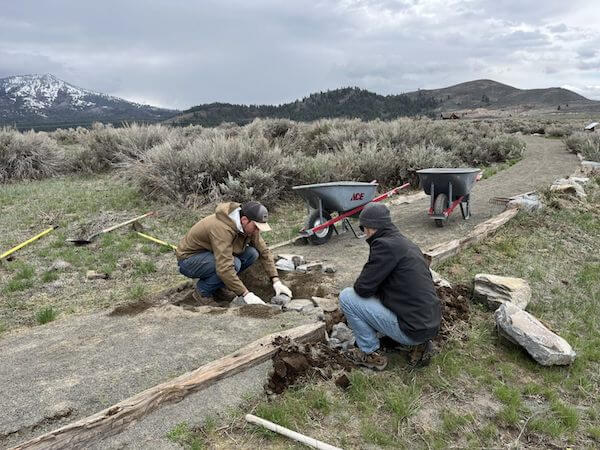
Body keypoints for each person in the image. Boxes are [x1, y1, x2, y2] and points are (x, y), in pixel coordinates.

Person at [340, 203, 441, 370]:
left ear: (369, 228)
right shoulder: (406, 244)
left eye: (363, 229)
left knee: (347, 297)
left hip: (412, 330)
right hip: (429, 323)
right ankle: (419, 344)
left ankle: (369, 352)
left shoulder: (383, 246)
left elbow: (362, 289)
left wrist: (376, 288)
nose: (364, 234)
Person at [176, 201, 292, 305]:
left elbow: (264, 252)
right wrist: (246, 294)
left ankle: (218, 287)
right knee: (234, 264)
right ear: (244, 220)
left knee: (252, 253)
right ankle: (202, 292)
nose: (258, 231)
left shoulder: (248, 227)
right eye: (256, 227)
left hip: (210, 254)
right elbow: (225, 267)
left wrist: (275, 280)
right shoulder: (221, 228)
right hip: (189, 260)